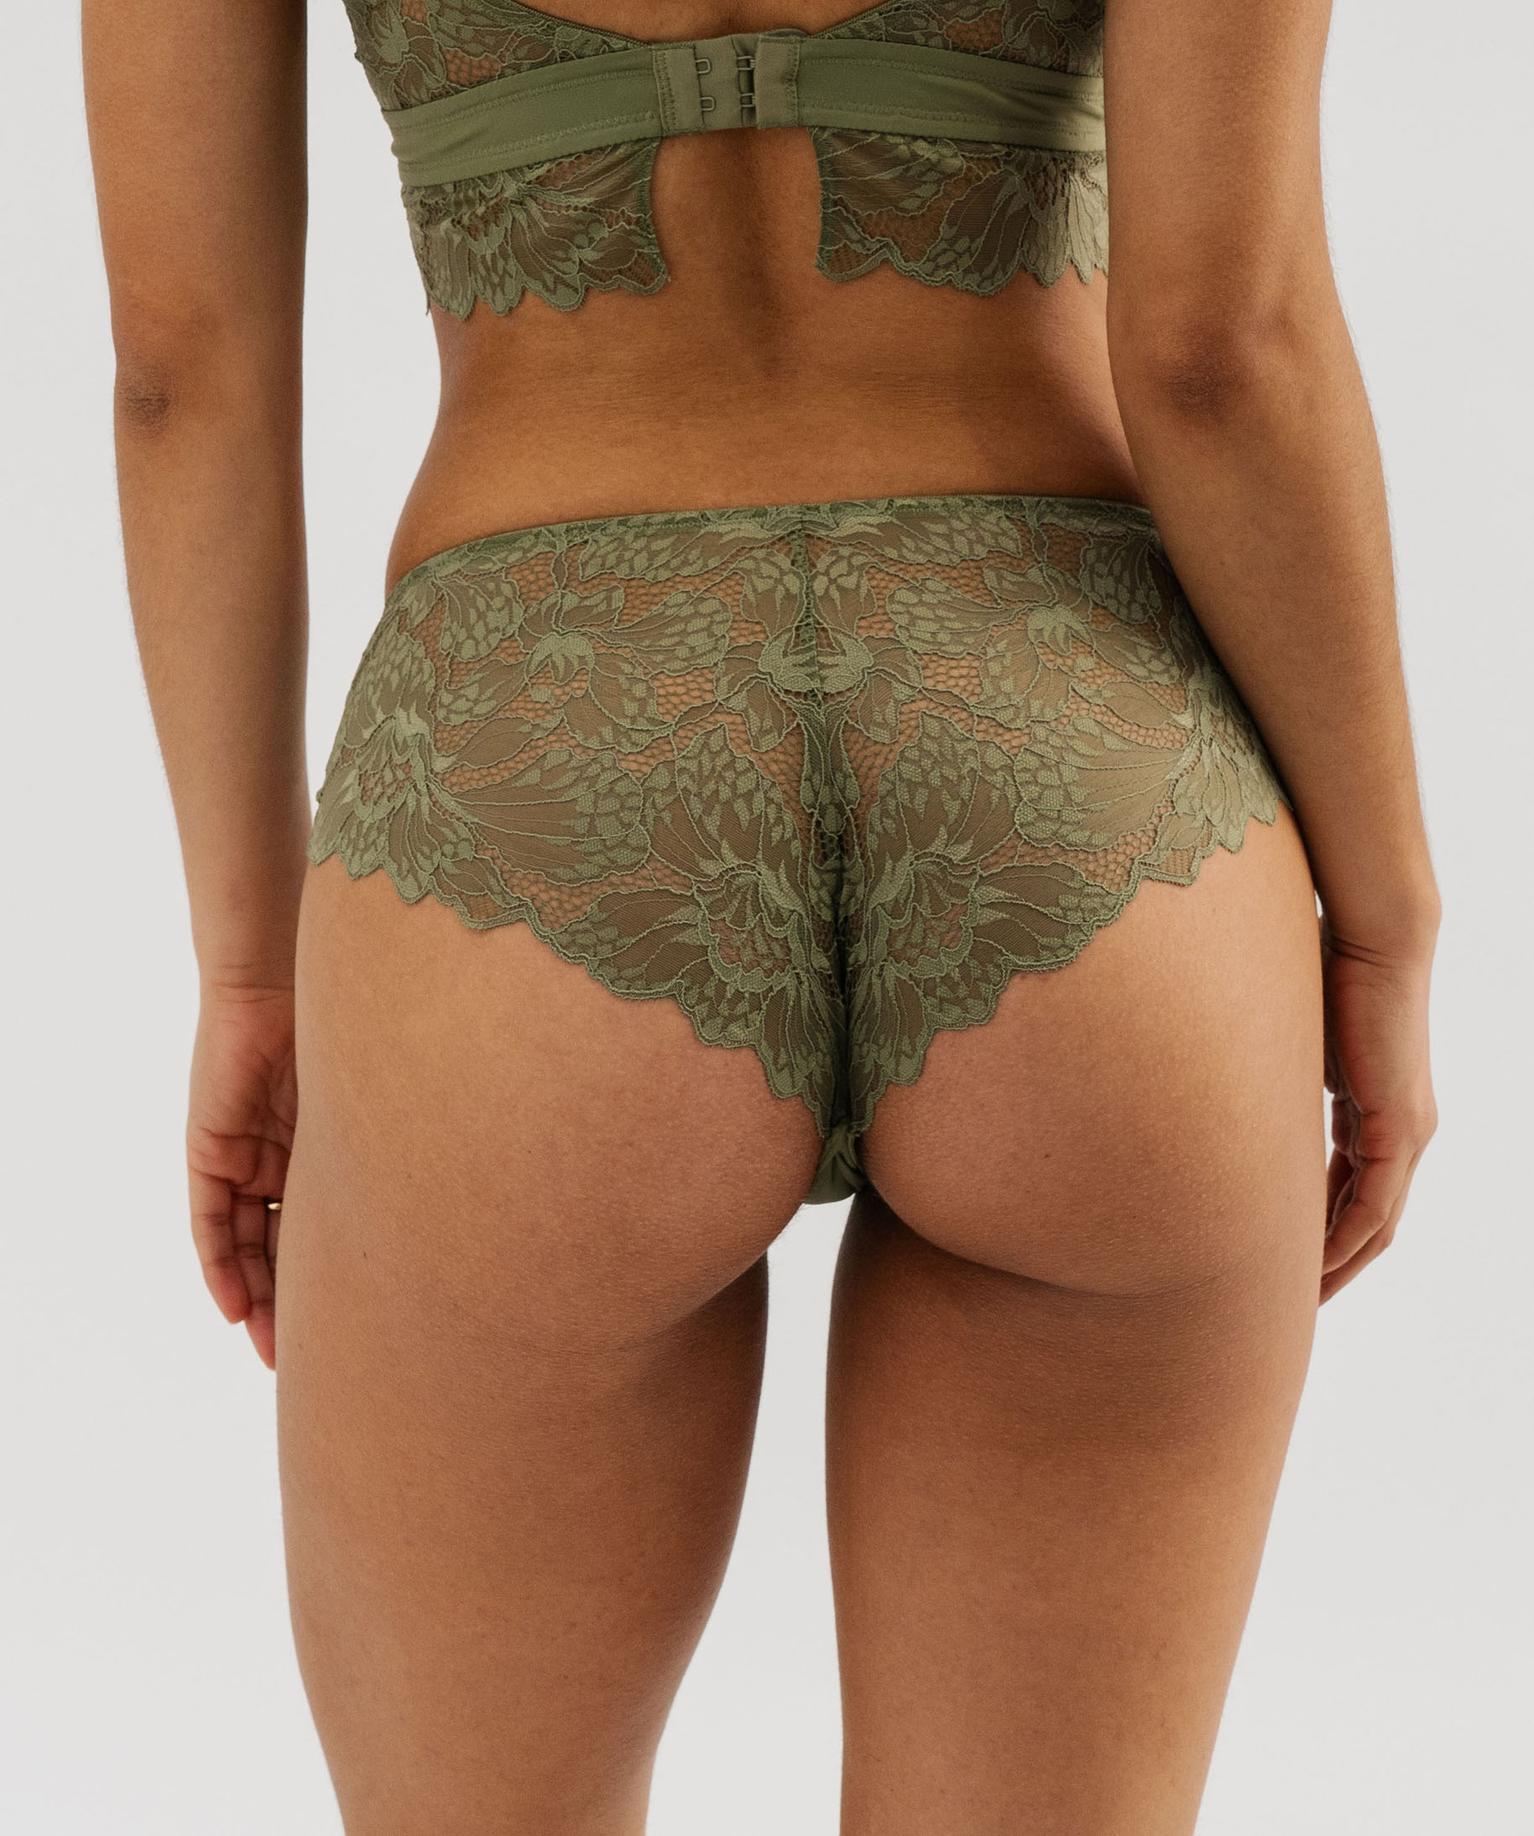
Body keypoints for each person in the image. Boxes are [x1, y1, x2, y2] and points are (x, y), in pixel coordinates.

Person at [85, 1, 1439, 1830]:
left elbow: (182, 365)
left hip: (534, 777)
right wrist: (1382, 919)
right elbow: (1221, 349)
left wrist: (250, 963)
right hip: (1076, 773)